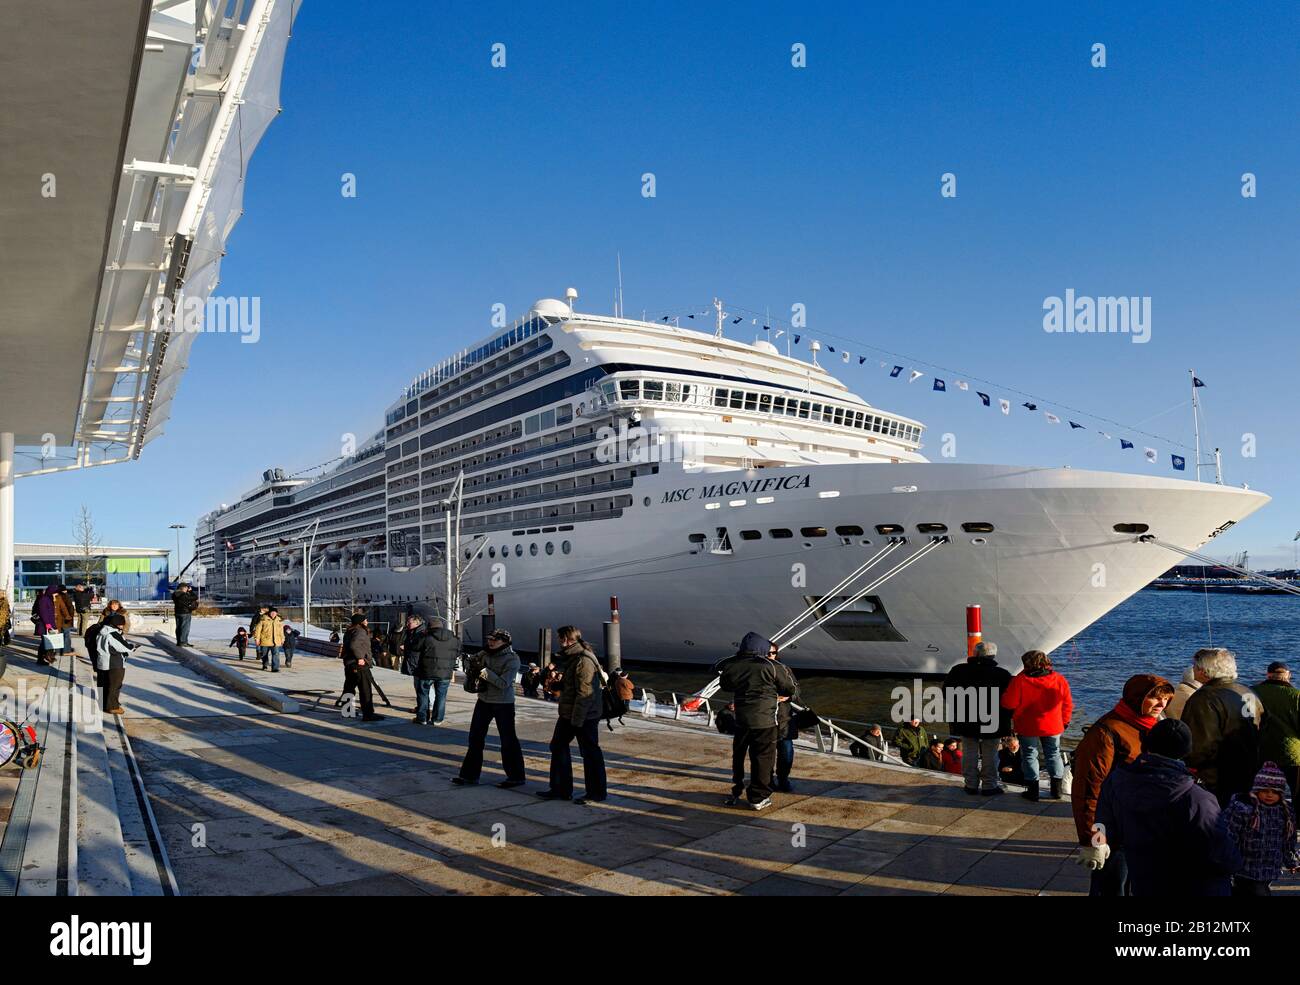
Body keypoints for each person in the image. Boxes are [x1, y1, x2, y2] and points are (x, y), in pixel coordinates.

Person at [1094, 718, 1240, 897]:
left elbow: (1102, 824)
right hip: (1192, 885)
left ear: (1147, 744)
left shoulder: (1116, 781)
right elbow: (1221, 853)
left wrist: (1096, 844)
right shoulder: (1197, 798)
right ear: (1186, 751)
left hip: (1143, 879)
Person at [1071, 673, 1174, 896]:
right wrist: (1093, 840)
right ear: (1136, 698)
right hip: (1115, 830)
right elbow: (1088, 791)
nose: (1162, 704)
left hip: (1141, 827)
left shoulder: (1150, 726)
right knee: (1111, 888)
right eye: (1155, 698)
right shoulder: (1105, 732)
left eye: (1166, 699)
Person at [714, 632, 794, 811]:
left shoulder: (733, 665)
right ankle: (758, 797)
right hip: (765, 720)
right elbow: (789, 687)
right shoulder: (772, 666)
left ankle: (737, 788)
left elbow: (725, 685)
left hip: (742, 718)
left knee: (739, 756)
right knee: (763, 759)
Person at [1181, 647, 1262, 806]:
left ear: (1204, 671)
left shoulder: (1204, 698)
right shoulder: (1248, 691)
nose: (1194, 670)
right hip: (1249, 772)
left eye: (1195, 666)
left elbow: (1198, 744)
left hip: (1216, 779)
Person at [536, 626, 607, 805]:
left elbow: (585, 693)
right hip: (570, 712)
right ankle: (560, 789)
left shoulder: (583, 660)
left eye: (560, 638)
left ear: (567, 639)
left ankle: (596, 793)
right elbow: (574, 685)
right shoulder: (573, 658)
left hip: (583, 715)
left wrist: (577, 720)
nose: (559, 642)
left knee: (590, 752)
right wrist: (559, 687)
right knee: (558, 746)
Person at [454, 628, 526, 787]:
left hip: (503, 703)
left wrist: (484, 671)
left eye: (495, 640)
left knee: (508, 739)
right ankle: (469, 775)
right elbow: (473, 668)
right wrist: (471, 668)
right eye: (490, 639)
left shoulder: (512, 659)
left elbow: (503, 683)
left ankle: (516, 776)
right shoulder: (484, 653)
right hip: (484, 700)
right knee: (475, 738)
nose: (491, 642)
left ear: (505, 642)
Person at [942, 640, 1013, 795]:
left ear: (974, 654)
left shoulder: (958, 670)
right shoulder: (1002, 674)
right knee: (991, 754)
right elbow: (1011, 700)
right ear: (993, 656)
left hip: (966, 719)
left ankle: (970, 784)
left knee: (968, 752)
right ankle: (989, 785)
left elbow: (947, 693)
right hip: (993, 720)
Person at [1001, 649, 1073, 801]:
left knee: (1029, 755)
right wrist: (1065, 721)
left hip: (1027, 725)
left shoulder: (1020, 680)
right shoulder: (1059, 679)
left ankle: (1032, 791)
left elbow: (1009, 703)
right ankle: (1057, 790)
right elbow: (1067, 704)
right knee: (1054, 754)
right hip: (1053, 724)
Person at [1219, 761, 1298, 896]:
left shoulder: (1285, 813)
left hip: (1269, 869)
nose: (1269, 795)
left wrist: (1291, 862)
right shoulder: (1244, 810)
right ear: (1256, 790)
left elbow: (1287, 842)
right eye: (1265, 790)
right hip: (1245, 869)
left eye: (1275, 792)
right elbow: (1229, 837)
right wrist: (1228, 861)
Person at [1253, 661, 1300, 815]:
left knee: (1262, 789)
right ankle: (1296, 823)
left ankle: (1260, 818)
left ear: (1268, 675)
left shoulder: (1253, 691)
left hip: (1262, 750)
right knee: (1296, 790)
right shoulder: (1295, 695)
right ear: (1288, 675)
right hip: (1291, 753)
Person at [404, 614, 459, 725]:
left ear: (429, 628)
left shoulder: (425, 637)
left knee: (423, 694)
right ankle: (437, 719)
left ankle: (422, 718)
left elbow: (415, 648)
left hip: (426, 671)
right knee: (441, 696)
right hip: (445, 673)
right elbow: (458, 652)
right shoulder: (454, 639)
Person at [341, 613, 382, 722]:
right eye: (365, 620)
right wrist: (360, 657)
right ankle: (368, 714)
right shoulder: (360, 631)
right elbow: (354, 645)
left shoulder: (350, 630)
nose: (367, 621)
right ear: (361, 622)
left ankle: (347, 711)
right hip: (358, 664)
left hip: (349, 663)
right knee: (365, 689)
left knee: (349, 687)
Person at [93, 611, 135, 714]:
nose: (122, 626)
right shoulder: (113, 634)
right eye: (121, 624)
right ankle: (112, 706)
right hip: (114, 663)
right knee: (114, 685)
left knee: (102, 683)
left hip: (102, 661)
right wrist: (132, 647)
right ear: (116, 624)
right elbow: (124, 647)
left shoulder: (102, 631)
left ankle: (102, 703)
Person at [771, 651, 800, 793]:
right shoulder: (757, 671)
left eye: (773, 652)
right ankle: (768, 780)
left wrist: (787, 697)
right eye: (768, 652)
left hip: (784, 720)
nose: (771, 655)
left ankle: (783, 779)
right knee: (766, 755)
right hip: (765, 721)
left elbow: (796, 691)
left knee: (787, 753)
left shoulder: (785, 669)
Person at [35, 583, 73, 665]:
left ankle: (46, 657)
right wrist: (48, 625)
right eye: (55, 592)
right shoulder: (44, 600)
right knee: (44, 642)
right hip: (45, 625)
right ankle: (43, 658)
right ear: (51, 592)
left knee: (47, 642)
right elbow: (44, 613)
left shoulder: (49, 599)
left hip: (50, 625)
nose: (56, 594)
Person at [254, 606, 285, 672]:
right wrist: (257, 639)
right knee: (264, 654)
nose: (273, 614)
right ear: (269, 613)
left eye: (275, 612)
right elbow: (258, 630)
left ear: (276, 613)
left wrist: (282, 639)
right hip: (265, 640)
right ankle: (265, 664)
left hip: (276, 641)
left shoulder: (279, 620)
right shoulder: (263, 619)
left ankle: (275, 668)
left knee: (276, 654)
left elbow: (281, 631)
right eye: (272, 612)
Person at [171, 582, 198, 646]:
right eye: (186, 588)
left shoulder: (174, 594)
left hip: (177, 612)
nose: (187, 589)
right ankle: (183, 642)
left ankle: (179, 641)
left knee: (179, 627)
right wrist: (191, 591)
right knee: (185, 628)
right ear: (183, 588)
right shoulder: (183, 595)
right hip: (185, 613)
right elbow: (195, 597)